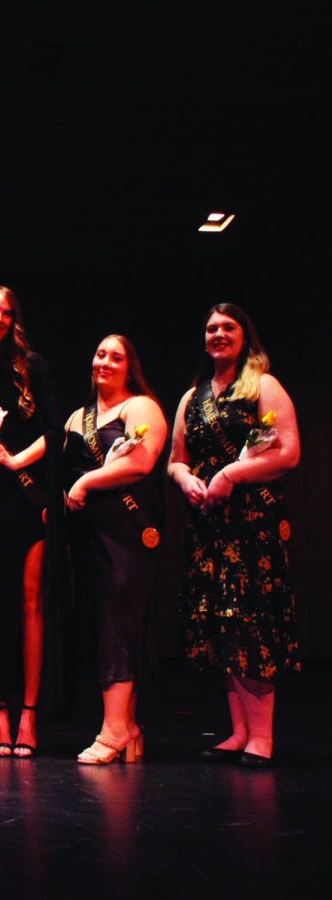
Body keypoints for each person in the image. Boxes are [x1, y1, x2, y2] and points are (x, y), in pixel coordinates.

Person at [167, 304, 300, 768]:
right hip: (208, 524)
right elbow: (176, 458)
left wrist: (232, 474)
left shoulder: (263, 386)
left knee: (251, 622)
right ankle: (239, 729)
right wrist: (185, 479)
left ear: (245, 336)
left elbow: (288, 452)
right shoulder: (192, 397)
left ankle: (261, 736)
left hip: (252, 523)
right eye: (211, 328)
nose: (218, 334)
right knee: (221, 623)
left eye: (228, 327)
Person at [63, 334, 166, 765]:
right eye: (100, 353)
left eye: (116, 356)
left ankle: (114, 730)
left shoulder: (139, 406)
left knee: (118, 624)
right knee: (101, 623)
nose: (105, 361)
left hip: (128, 533)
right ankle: (130, 729)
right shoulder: (76, 416)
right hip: (88, 536)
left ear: (130, 366)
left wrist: (86, 482)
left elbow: (141, 462)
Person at [0, 286, 64, 758]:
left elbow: (56, 428)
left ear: (16, 318)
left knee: (30, 605)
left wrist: (14, 460)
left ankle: (29, 715)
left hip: (28, 500)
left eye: (8, 311)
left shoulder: (34, 366)